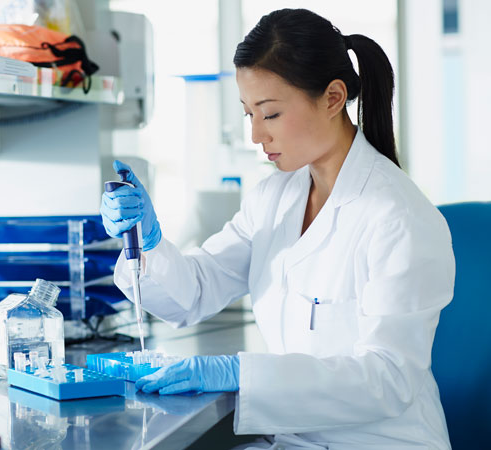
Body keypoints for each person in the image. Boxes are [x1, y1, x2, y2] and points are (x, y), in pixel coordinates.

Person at [99, 8, 454, 450]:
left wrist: (238, 373)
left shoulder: (398, 217)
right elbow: (194, 293)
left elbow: (388, 378)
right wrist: (150, 243)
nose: (255, 135)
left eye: (269, 115)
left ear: (332, 98)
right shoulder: (275, 198)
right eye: (248, 113)